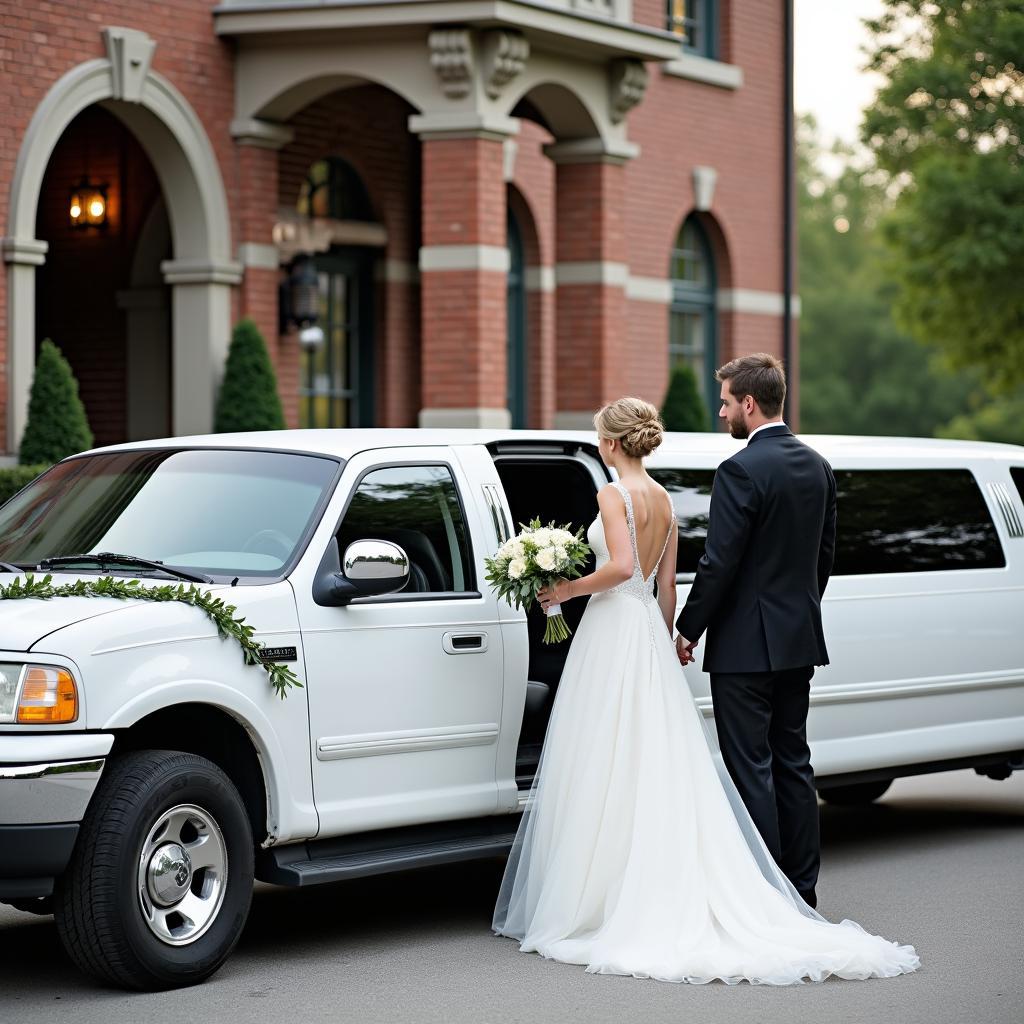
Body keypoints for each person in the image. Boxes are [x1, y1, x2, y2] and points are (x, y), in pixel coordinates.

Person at [492, 394, 918, 984]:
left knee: (608, 756)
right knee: (684, 758)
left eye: (599, 436)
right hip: (646, 629)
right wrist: (669, 636)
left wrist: (565, 590)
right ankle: (785, 888)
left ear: (612, 443)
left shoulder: (611, 494)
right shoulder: (666, 500)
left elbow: (619, 567)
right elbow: (665, 585)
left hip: (613, 628)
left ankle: (609, 892)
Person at [675, 353, 833, 908]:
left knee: (751, 769)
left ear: (748, 403)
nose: (721, 413)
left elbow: (720, 563)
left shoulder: (739, 469)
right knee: (794, 761)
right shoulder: (816, 464)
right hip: (797, 640)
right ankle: (802, 890)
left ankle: (766, 896)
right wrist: (796, 614)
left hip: (744, 648)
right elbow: (822, 560)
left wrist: (687, 627)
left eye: (724, 402)